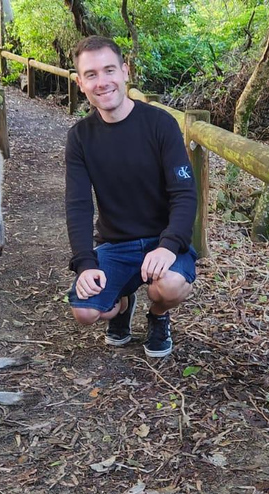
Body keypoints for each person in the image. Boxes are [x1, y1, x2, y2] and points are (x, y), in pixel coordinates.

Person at [65, 36, 197, 358]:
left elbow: (184, 193)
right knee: (84, 312)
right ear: (80, 83)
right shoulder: (80, 137)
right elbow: (79, 205)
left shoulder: (160, 124)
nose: (102, 82)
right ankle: (122, 302)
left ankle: (158, 315)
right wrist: (84, 263)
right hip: (116, 244)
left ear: (125, 71)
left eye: (109, 70)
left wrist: (168, 246)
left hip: (163, 241)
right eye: (91, 74)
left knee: (168, 286)